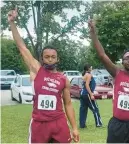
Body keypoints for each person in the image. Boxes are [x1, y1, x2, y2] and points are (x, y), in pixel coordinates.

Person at [8, 7, 79, 143]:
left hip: (59, 122)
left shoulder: (63, 79)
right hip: (39, 123)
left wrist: (75, 128)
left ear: (58, 59)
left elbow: (68, 104)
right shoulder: (37, 70)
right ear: (42, 58)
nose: (50, 59)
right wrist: (12, 23)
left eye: (53, 57)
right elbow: (22, 47)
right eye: (47, 57)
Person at [88, 19, 129, 143]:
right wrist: (94, 34)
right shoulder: (117, 73)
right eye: (127, 58)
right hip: (117, 125)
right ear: (122, 61)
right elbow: (102, 55)